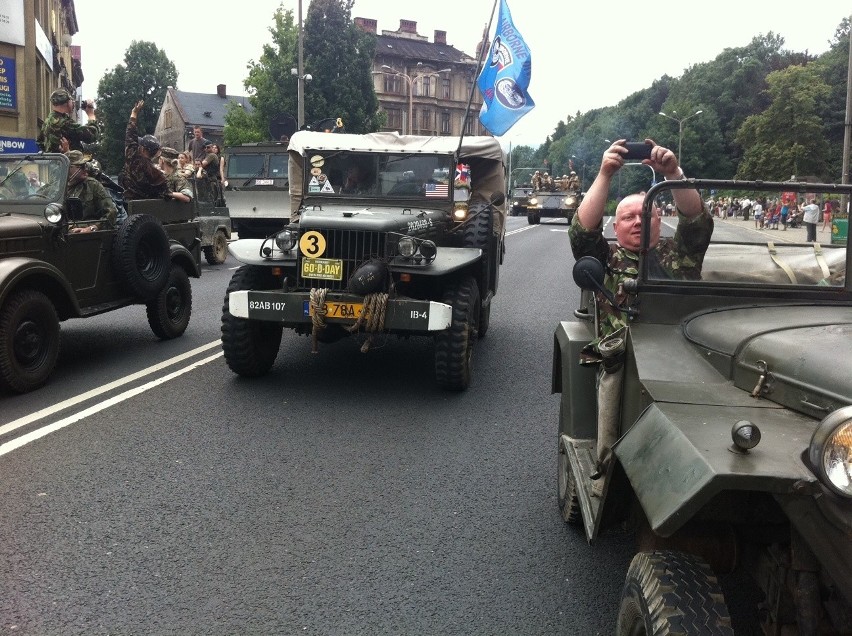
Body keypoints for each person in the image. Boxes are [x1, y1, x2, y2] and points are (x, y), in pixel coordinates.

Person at [568, 138, 712, 488]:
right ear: (615, 228)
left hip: (678, 350)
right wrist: (605, 173)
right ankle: (606, 470)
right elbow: (582, 233)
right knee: (612, 381)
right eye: (628, 217)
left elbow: (697, 222)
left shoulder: (678, 258)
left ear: (660, 222)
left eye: (646, 215)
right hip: (622, 353)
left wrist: (673, 173)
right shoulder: (608, 259)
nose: (637, 221)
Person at [119, 100, 168, 200]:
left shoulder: (132, 158)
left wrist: (134, 113)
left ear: (143, 148)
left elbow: (130, 135)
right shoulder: (155, 172)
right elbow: (165, 191)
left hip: (128, 201)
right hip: (145, 205)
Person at [64, 150, 117, 233]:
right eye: (80, 166)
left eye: (85, 165)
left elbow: (111, 212)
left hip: (86, 235)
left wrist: (92, 228)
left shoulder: (92, 185)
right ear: (68, 167)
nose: (85, 169)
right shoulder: (57, 187)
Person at [39, 88, 99, 153]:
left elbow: (40, 142)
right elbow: (91, 135)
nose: (73, 102)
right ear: (67, 102)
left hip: (54, 161)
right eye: (71, 100)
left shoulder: (47, 121)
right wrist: (91, 115)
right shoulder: (64, 123)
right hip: (67, 162)